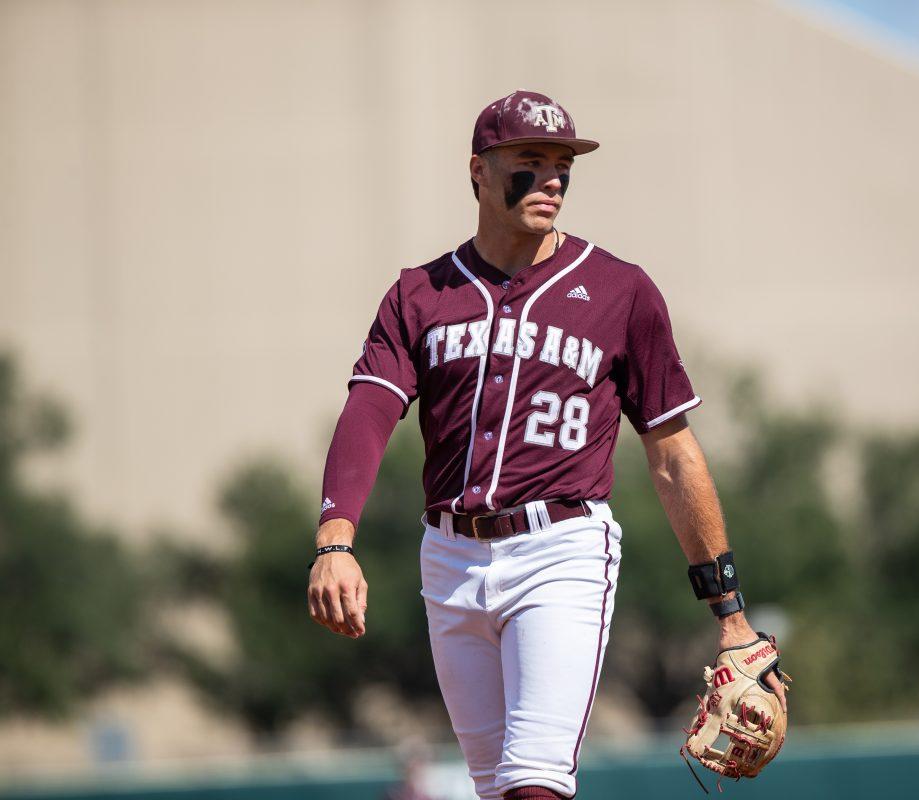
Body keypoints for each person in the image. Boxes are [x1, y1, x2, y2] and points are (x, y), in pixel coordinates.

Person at [307, 90, 786, 800]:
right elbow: (371, 408)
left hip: (560, 551)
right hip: (448, 558)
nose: (553, 179)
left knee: (534, 781)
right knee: (495, 788)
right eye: (530, 161)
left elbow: (673, 456)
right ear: (479, 170)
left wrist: (733, 617)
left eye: (563, 164)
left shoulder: (620, 291)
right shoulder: (419, 295)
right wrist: (335, 539)